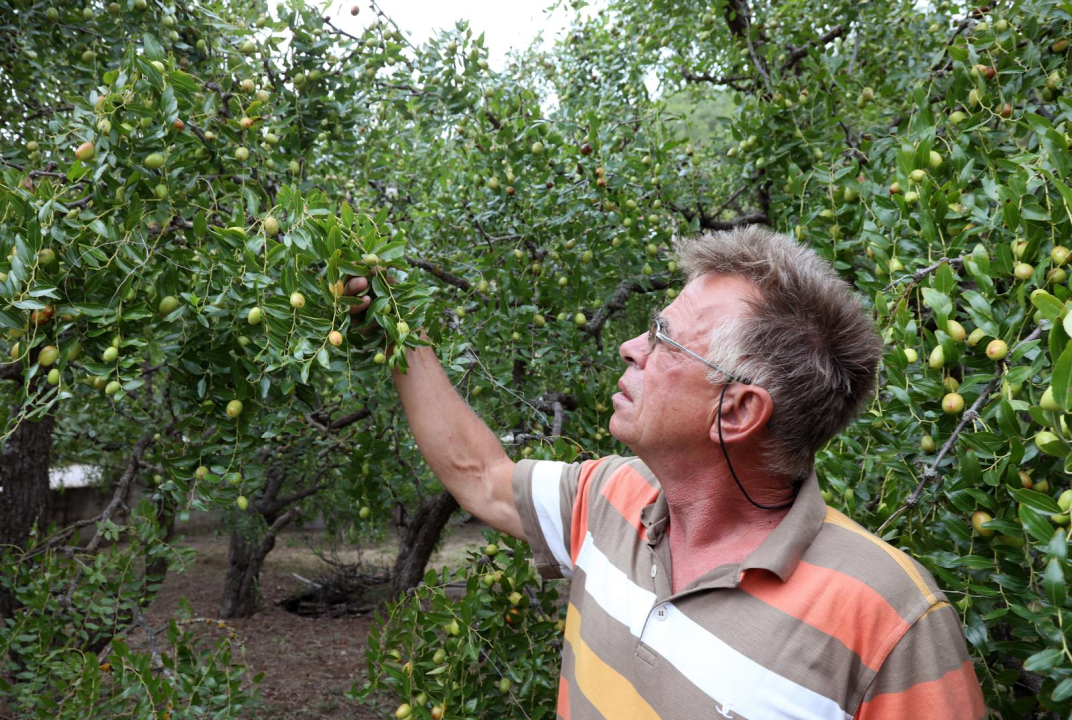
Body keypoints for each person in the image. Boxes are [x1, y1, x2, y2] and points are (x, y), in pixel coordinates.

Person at [344, 225, 986, 719]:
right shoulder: (611, 498)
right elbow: (479, 474)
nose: (631, 347)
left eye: (662, 337)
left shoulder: (892, 620)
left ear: (736, 410)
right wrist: (395, 325)